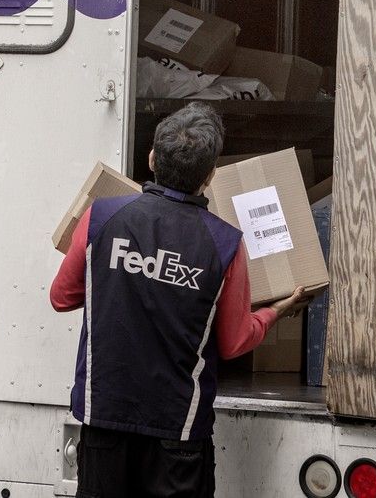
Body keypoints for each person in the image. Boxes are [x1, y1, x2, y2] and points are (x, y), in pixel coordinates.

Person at [49, 101, 304, 498]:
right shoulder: (224, 244)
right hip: (178, 432)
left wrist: (114, 272)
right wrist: (274, 312)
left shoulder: (100, 218)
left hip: (104, 421)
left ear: (151, 158)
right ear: (209, 177)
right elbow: (234, 341)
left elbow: (61, 298)